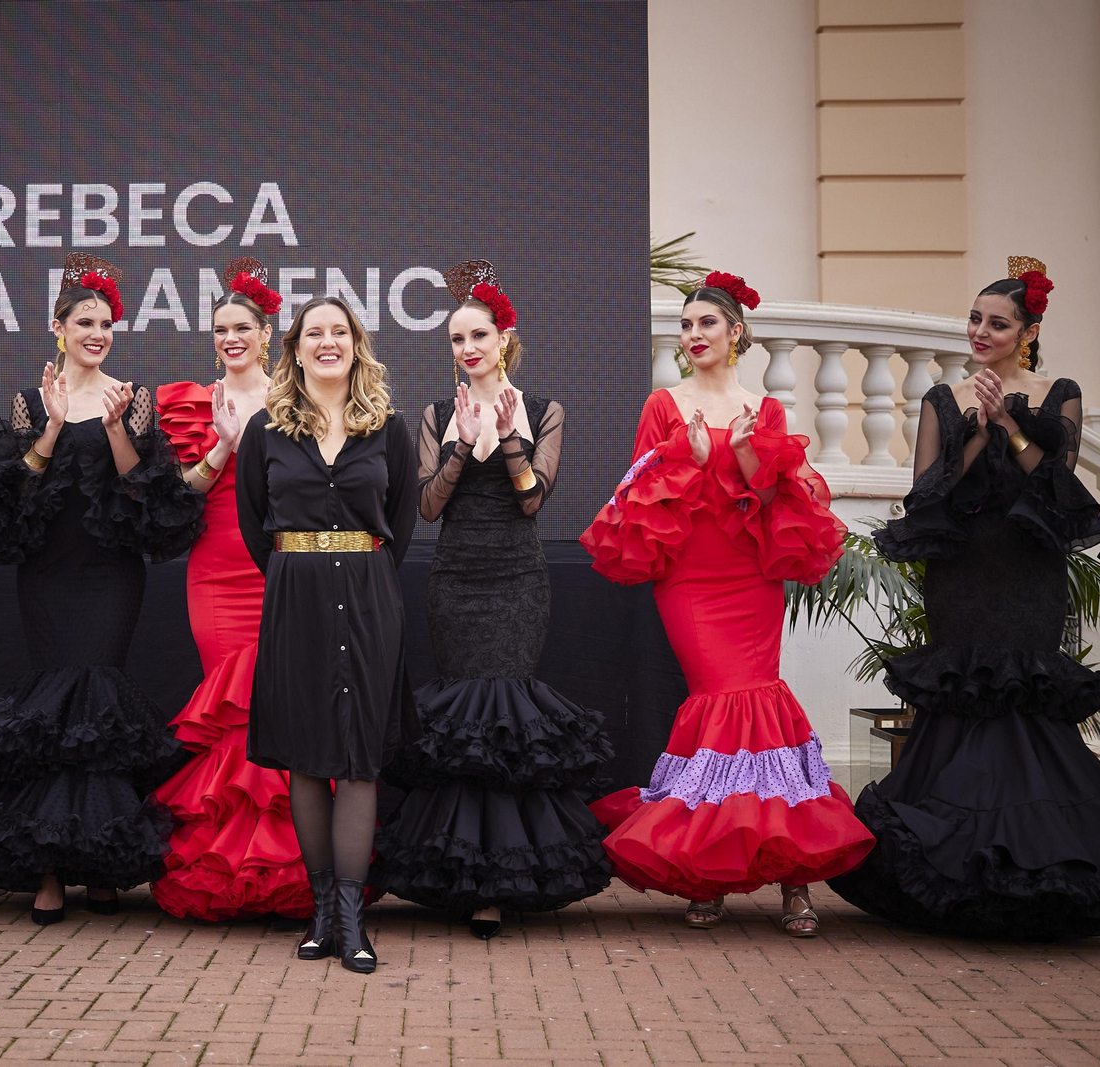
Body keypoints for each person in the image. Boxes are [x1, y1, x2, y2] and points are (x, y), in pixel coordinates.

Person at [580, 271, 873, 936]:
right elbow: (633, 497)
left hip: (749, 576)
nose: (693, 336)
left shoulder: (763, 411)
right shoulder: (663, 404)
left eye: (705, 324)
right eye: (685, 327)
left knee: (760, 699)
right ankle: (709, 867)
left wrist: (744, 460)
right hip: (688, 576)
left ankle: (795, 879)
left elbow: (782, 506)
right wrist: (692, 455)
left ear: (736, 331)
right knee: (717, 701)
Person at [828, 258, 1100, 937]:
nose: (980, 331)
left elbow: (1061, 494)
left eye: (998, 323)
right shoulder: (942, 400)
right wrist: (978, 428)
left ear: (1027, 331)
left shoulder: (1057, 393)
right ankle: (953, 875)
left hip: (1028, 573)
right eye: (976, 319)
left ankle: (1038, 872)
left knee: (1022, 698)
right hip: (963, 573)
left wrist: (1011, 428)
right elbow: (927, 498)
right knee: (963, 699)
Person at [0, 254, 204, 924]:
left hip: (111, 573)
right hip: (49, 574)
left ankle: (101, 861)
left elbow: (147, 496)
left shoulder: (133, 396)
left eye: (106, 323)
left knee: (99, 703)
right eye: (84, 321)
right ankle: (54, 866)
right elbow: (11, 498)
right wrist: (53, 428)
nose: (97, 332)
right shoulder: (31, 402)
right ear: (57, 327)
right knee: (57, 712)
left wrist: (117, 429)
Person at [373, 262, 611, 939]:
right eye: (455, 339)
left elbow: (534, 500)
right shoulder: (435, 413)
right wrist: (455, 450)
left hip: (517, 576)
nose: (467, 348)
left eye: (478, 335)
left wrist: (508, 438)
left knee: (504, 717)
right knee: (462, 718)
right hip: (454, 577)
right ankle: (461, 875)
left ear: (504, 338)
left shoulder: (543, 410)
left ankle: (501, 878)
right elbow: (423, 505)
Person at [235, 295, 419, 973]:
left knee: (360, 757)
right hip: (296, 597)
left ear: (356, 344)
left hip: (370, 596)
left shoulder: (388, 429)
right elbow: (257, 521)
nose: (328, 341)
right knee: (307, 758)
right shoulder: (266, 430)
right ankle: (321, 912)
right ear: (295, 346)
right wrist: (300, 571)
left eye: (340, 331)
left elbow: (399, 521)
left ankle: (351, 918)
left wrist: (359, 577)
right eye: (315, 332)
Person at [150, 260, 313, 922]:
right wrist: (219, 448)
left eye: (241, 327)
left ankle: (288, 869)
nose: (230, 338)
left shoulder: (299, 400)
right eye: (220, 329)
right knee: (229, 703)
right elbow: (175, 496)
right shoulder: (190, 401)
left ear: (266, 330)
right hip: (215, 568)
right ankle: (226, 867)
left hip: (281, 564)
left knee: (281, 701)